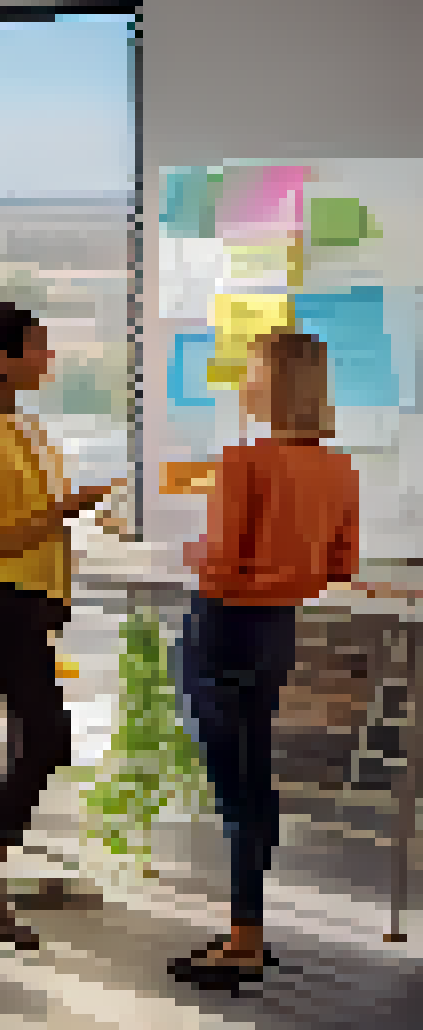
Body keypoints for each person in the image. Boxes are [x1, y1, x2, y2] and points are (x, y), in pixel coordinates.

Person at [169, 330, 360, 988]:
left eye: (251, 371)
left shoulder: (243, 462)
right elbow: (339, 566)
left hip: (221, 628)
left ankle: (244, 942)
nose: (243, 383)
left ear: (273, 386)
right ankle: (247, 930)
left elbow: (218, 565)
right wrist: (280, 575)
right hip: (276, 631)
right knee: (254, 778)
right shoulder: (340, 469)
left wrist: (184, 551)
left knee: (233, 787)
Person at [0, 301, 119, 949]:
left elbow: (38, 512)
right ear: (5, 359)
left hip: (32, 595)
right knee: (44, 735)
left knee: (34, 733)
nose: (49, 358)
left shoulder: (21, 426)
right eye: (38, 347)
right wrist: (70, 506)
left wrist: (83, 513)